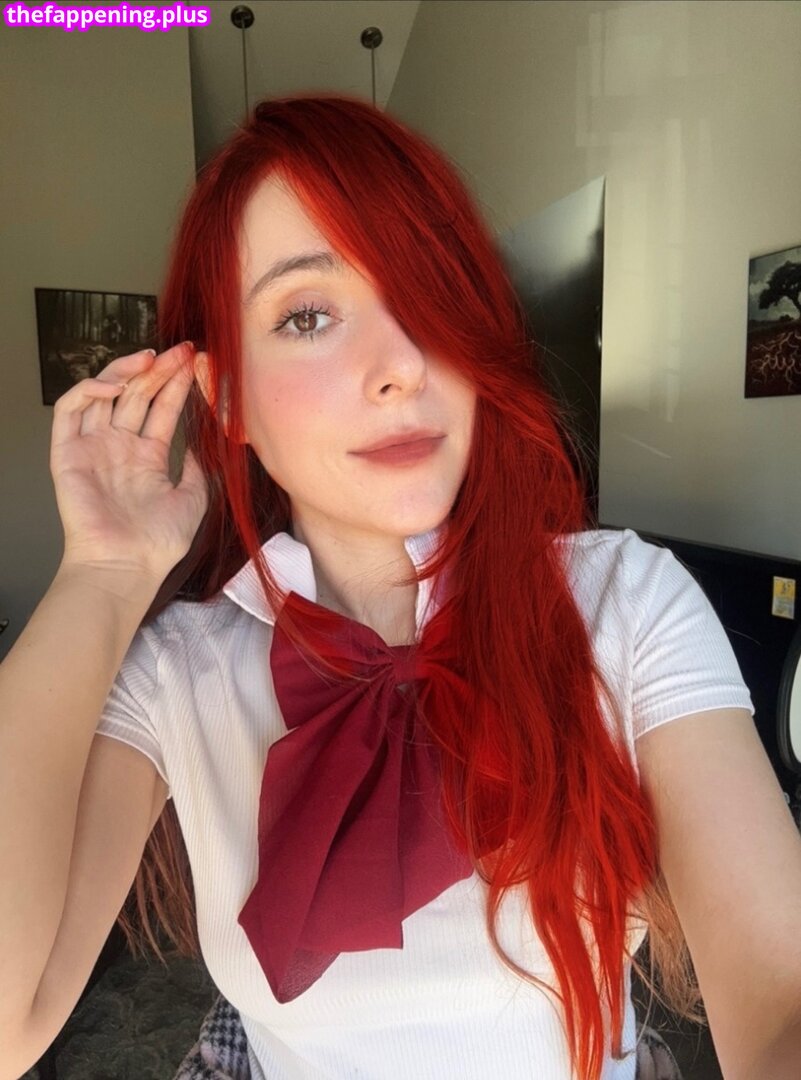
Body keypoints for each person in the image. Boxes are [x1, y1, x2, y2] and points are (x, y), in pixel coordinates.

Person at [2, 94, 801, 1080]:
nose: (404, 365)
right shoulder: (177, 673)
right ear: (229, 398)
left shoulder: (625, 602)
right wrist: (103, 574)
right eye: (307, 315)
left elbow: (780, 1005)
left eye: (428, 297)